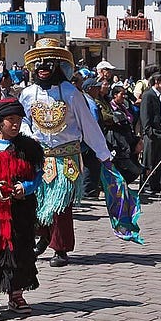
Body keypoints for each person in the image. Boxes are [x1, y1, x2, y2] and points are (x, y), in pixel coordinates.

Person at [19, 39, 114, 267]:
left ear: (57, 66)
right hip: (39, 157)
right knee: (38, 202)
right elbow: (22, 119)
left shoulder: (71, 93)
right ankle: (43, 237)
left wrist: (104, 155)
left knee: (61, 204)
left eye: (48, 63)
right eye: (38, 64)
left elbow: (88, 125)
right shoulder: (28, 94)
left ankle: (60, 248)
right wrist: (27, 136)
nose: (42, 68)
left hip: (65, 158)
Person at [0, 98, 43, 320]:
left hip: (20, 211)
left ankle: (16, 293)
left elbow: (37, 176)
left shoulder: (30, 148)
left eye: (18, 120)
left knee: (20, 249)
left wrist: (25, 187)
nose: (15, 125)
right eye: (10, 120)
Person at [138, 67, 161, 200]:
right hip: (151, 134)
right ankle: (147, 185)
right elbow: (145, 114)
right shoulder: (148, 95)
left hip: (160, 133)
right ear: (156, 82)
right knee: (149, 160)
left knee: (158, 160)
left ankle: (156, 185)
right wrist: (147, 130)